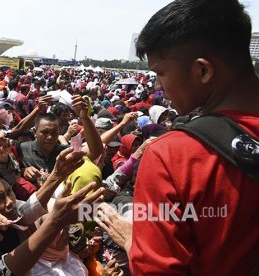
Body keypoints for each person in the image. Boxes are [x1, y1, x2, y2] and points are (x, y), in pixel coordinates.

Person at [98, 0, 259, 274]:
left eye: (160, 73)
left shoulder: (172, 156)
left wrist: (136, 244)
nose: (158, 86)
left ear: (203, 71)